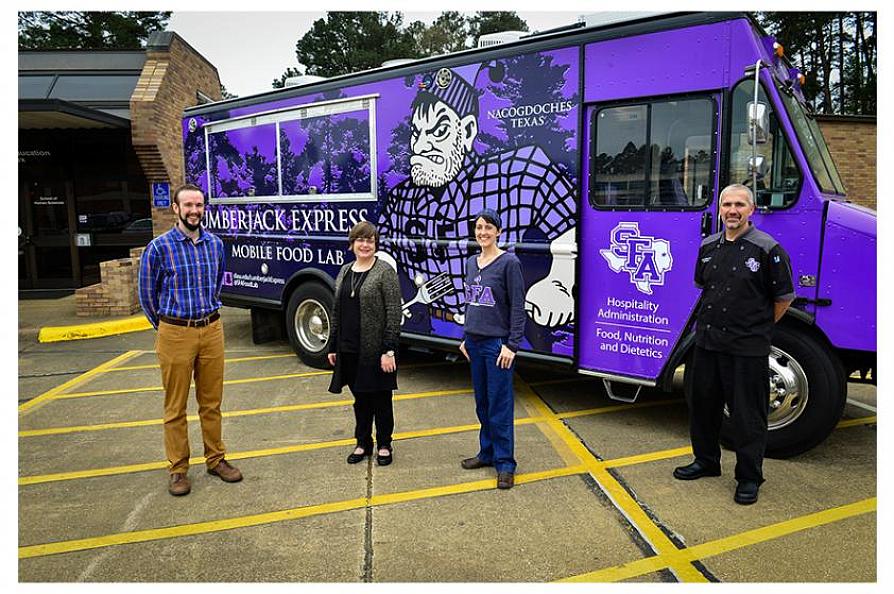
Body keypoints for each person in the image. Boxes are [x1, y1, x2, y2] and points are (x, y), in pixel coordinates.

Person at [377, 66, 577, 343]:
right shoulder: (402, 198)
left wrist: (559, 281)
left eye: (439, 130)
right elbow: (385, 246)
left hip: (497, 328)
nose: (421, 145)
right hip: (430, 326)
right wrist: (389, 289)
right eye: (417, 132)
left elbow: (573, 225)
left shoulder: (518, 172)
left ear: (467, 130)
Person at [674, 183, 794, 505]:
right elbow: (702, 286)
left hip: (747, 348)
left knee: (747, 415)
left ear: (751, 210)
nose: (732, 210)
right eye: (727, 204)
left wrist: (757, 327)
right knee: (703, 407)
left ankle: (749, 477)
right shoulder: (709, 246)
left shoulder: (767, 249)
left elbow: (783, 298)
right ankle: (706, 461)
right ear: (720, 209)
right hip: (708, 343)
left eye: (740, 204)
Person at [138, 183, 242, 497]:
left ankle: (216, 459)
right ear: (176, 209)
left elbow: (216, 283)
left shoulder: (215, 245)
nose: (194, 210)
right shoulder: (158, 247)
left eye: (199, 205)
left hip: (211, 329)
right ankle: (178, 469)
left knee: (212, 403)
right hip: (175, 331)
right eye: (188, 205)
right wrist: (169, 328)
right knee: (175, 406)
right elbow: (146, 295)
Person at [458, 209, 526, 490]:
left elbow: (518, 307)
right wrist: (465, 336)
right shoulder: (473, 262)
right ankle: (486, 453)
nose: (483, 232)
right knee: (482, 404)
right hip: (474, 343)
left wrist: (512, 345)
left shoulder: (509, 262)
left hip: (497, 345)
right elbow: (472, 302)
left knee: (500, 405)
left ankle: (505, 463)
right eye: (478, 227)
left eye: (488, 228)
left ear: (498, 231)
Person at [328, 221, 402, 466]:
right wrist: (332, 346)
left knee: (381, 399)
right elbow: (337, 309)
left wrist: (388, 350)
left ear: (375, 244)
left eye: (370, 240)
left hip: (376, 351)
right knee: (360, 400)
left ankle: (384, 444)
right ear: (352, 244)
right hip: (349, 349)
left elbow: (393, 311)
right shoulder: (345, 270)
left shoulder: (384, 272)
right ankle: (362, 442)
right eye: (360, 240)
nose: (365, 245)